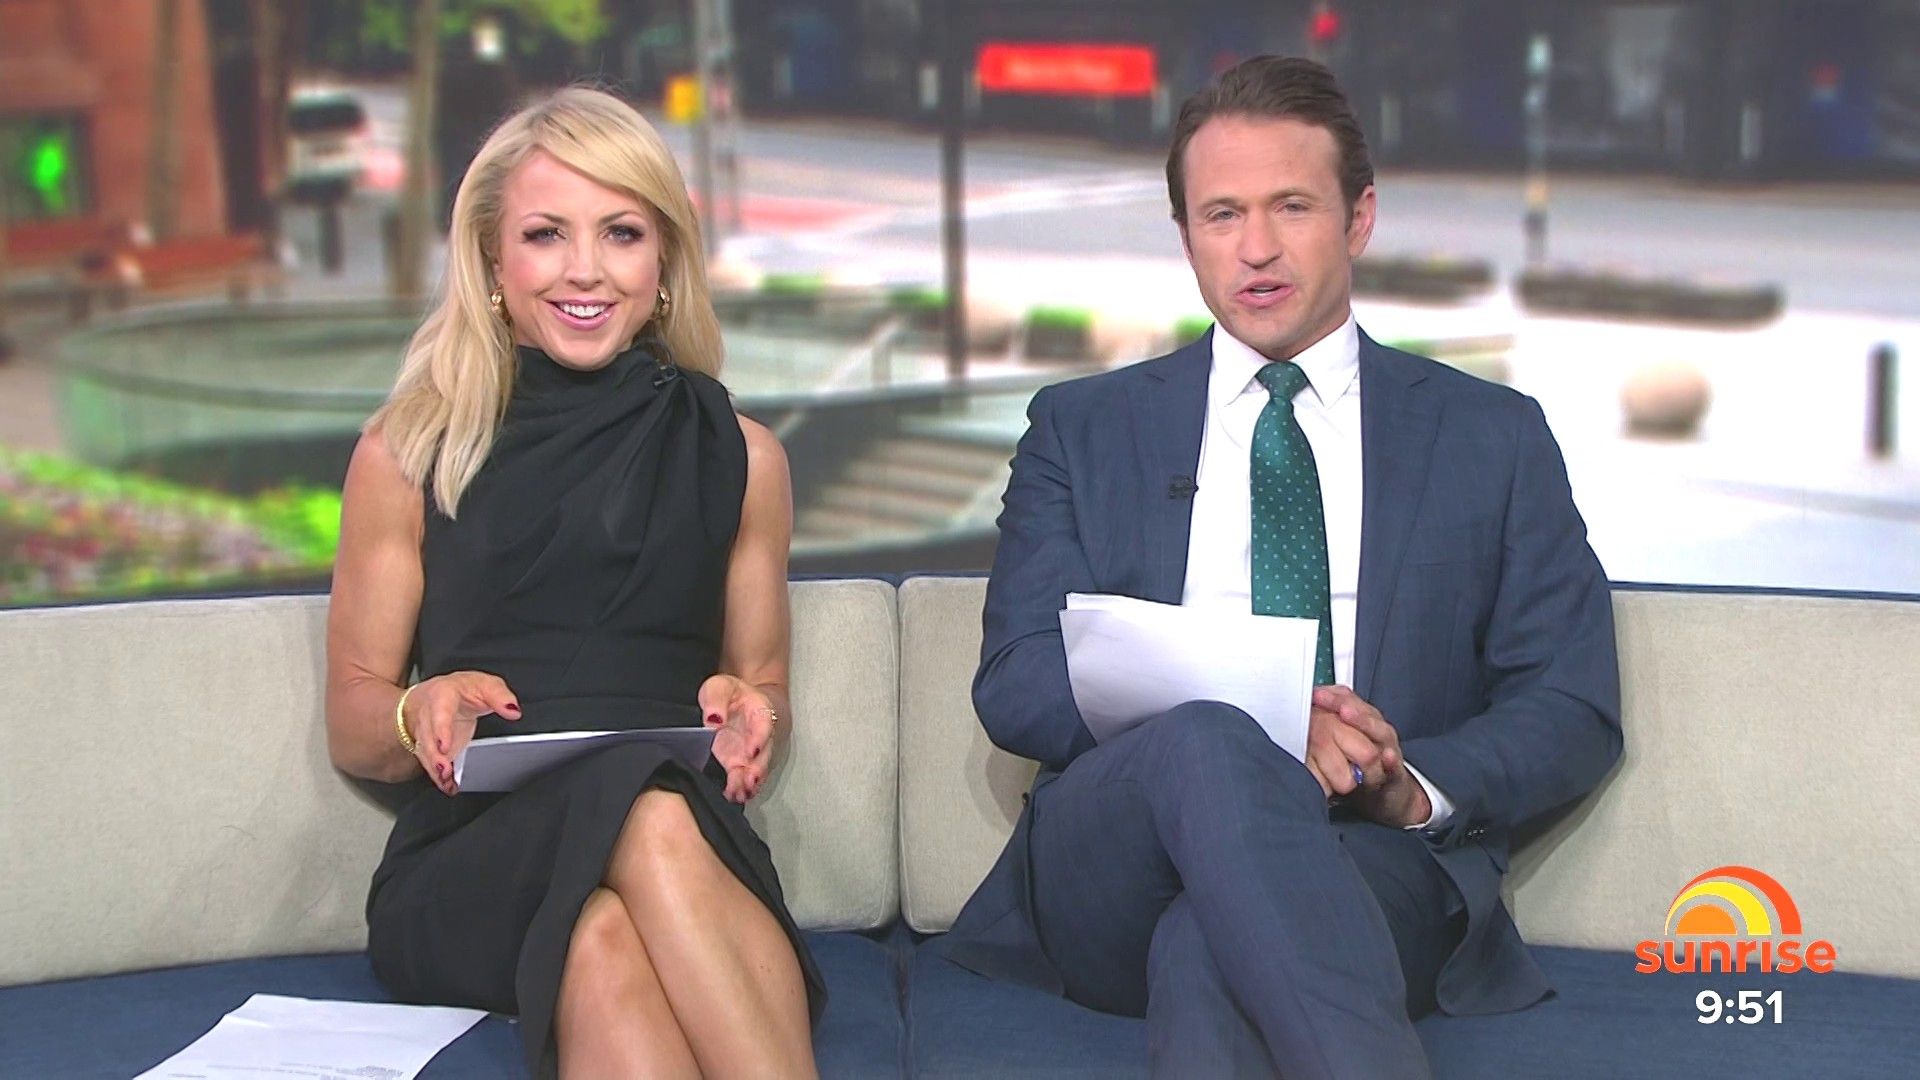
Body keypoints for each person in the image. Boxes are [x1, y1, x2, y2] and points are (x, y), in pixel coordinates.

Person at [939, 56, 1622, 1079]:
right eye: (1222, 215)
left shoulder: (1491, 436)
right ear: (1187, 237)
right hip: (1117, 854)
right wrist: (1267, 721)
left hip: (1368, 851)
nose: (1255, 248)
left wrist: (1409, 788)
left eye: (1291, 207)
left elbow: (1571, 703)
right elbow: (1019, 680)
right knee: (1210, 739)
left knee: (1210, 948)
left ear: (1359, 218)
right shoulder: (1082, 429)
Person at [324, 87, 821, 1079]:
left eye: (621, 233)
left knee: (601, 933)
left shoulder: (744, 458)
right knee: (642, 813)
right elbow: (352, 723)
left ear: (664, 260)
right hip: (477, 858)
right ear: (493, 262)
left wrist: (751, 708)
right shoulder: (410, 452)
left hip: (681, 856)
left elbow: (762, 685)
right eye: (545, 234)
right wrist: (420, 707)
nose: (585, 269)